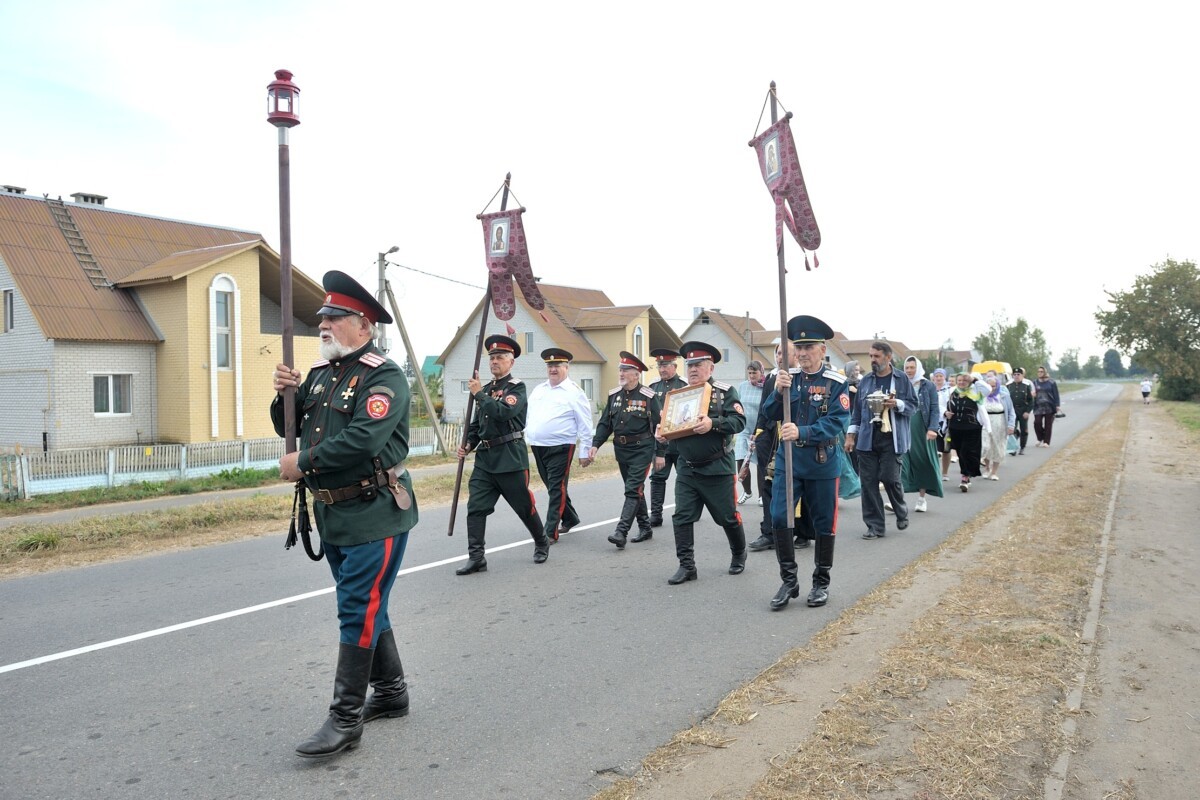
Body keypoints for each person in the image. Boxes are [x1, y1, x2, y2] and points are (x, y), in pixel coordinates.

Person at [271, 270, 419, 759]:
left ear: (364, 324)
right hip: (334, 513)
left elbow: (363, 440)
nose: (325, 325)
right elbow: (296, 427)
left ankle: (346, 718)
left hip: (376, 512)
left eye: (336, 318)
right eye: (323, 318)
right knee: (368, 605)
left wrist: (302, 464)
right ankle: (392, 694)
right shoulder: (320, 373)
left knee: (357, 609)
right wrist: (283, 395)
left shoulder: (383, 375)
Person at [760, 316, 849, 609]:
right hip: (789, 462)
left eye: (808, 346)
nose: (802, 353)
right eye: (798, 347)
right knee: (779, 516)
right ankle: (789, 580)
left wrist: (804, 431)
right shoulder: (788, 378)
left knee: (824, 522)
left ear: (823, 349)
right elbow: (768, 413)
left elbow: (837, 422)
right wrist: (777, 391)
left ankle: (821, 582)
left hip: (822, 462)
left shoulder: (836, 383)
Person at [653, 341, 747, 585]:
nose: (693, 369)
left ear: (711, 368)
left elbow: (739, 422)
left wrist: (713, 424)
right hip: (687, 468)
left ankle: (738, 553)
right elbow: (674, 431)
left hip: (717, 468)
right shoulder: (679, 396)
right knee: (682, 517)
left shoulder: (725, 393)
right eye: (690, 365)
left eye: (698, 365)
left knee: (727, 517)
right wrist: (663, 435)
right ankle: (687, 566)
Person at [455, 334, 549, 575]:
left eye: (500, 358)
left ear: (511, 362)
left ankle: (541, 540)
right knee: (475, 507)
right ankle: (476, 557)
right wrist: (468, 444)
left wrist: (479, 395)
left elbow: (503, 413)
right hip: (485, 461)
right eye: (492, 358)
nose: (494, 361)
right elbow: (477, 425)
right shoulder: (485, 389)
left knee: (523, 506)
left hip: (509, 457)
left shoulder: (516, 387)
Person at [845, 341, 917, 539]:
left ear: (888, 357)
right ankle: (875, 526)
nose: (872, 360)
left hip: (892, 438)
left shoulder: (901, 379)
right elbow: (857, 412)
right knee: (868, 483)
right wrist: (851, 435)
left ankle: (900, 509)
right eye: (870, 356)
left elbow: (913, 406)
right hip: (867, 438)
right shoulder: (866, 380)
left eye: (876, 356)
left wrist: (898, 403)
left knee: (890, 478)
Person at [589, 351, 660, 548]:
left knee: (632, 489)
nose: (621, 373)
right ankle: (645, 527)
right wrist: (595, 445)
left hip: (642, 449)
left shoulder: (649, 396)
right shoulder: (614, 395)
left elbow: (660, 426)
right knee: (635, 489)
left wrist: (660, 454)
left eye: (626, 370)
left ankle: (621, 531)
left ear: (636, 374)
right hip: (621, 449)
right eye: (620, 369)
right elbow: (605, 424)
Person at [526, 348, 593, 543]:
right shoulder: (539, 389)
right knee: (554, 486)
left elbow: (585, 424)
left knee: (556, 488)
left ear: (566, 367)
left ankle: (549, 532)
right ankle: (570, 517)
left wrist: (584, 451)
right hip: (538, 446)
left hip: (562, 446)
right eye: (549, 365)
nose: (552, 369)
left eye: (557, 366)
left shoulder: (575, 392)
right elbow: (529, 416)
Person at [646, 348, 687, 526]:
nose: (662, 370)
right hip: (660, 442)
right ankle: (656, 514)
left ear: (675, 366)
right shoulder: (653, 387)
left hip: (681, 443)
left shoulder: (685, 385)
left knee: (684, 478)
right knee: (657, 478)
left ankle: (684, 511)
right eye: (659, 366)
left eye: (666, 366)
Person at [900, 356, 943, 511]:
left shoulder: (928, 385)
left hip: (922, 429)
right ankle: (898, 500)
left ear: (918, 368)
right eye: (907, 368)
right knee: (900, 463)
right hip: (903, 427)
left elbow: (934, 408)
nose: (909, 371)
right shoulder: (900, 383)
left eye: (912, 367)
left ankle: (921, 499)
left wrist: (933, 428)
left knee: (922, 461)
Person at [944, 372, 990, 491]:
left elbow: (988, 389)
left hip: (972, 427)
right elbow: (941, 404)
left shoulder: (976, 392)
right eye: (959, 380)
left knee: (966, 451)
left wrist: (974, 380)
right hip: (955, 427)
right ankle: (966, 474)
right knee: (960, 452)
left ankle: (965, 476)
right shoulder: (952, 392)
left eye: (964, 380)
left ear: (969, 382)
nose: (961, 383)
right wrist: (945, 413)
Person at [734, 360, 766, 504]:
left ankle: (761, 495)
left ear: (761, 372)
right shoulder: (742, 386)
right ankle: (747, 492)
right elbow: (737, 405)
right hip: (744, 430)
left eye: (755, 372)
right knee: (741, 460)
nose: (752, 375)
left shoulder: (766, 387)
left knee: (761, 464)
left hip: (760, 430)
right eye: (750, 373)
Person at [980, 374, 1016, 480]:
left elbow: (1011, 412)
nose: (991, 388)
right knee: (985, 446)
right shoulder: (981, 396)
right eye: (989, 386)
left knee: (998, 448)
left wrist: (1011, 425)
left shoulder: (1004, 396)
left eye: (994, 386)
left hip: (1000, 424)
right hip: (985, 424)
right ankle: (987, 468)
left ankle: (994, 472)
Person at [931, 368, 955, 478]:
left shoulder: (950, 390)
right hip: (933, 422)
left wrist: (947, 412)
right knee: (933, 449)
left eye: (941, 376)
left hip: (946, 423)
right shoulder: (930, 389)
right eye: (937, 376)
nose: (939, 378)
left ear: (944, 377)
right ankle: (934, 472)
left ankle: (944, 472)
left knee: (946, 448)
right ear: (933, 378)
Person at [1032, 365, 1062, 447]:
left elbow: (1056, 394)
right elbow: (1032, 392)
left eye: (1041, 371)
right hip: (1038, 406)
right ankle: (1040, 437)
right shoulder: (1035, 382)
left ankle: (1046, 441)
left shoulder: (1051, 382)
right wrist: (1032, 395)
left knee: (1048, 424)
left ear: (1045, 372)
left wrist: (1057, 405)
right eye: (1038, 371)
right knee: (1037, 423)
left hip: (1049, 406)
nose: (1040, 373)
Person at [1008, 367, 1035, 453]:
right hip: (1012, 410)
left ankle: (1022, 447)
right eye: (1015, 374)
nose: (1016, 376)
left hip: (1023, 410)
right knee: (1013, 429)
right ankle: (1013, 448)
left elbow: (1031, 400)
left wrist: (1027, 411)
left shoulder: (1026, 386)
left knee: (1024, 430)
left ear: (1022, 375)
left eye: (1018, 374)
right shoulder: (1009, 385)